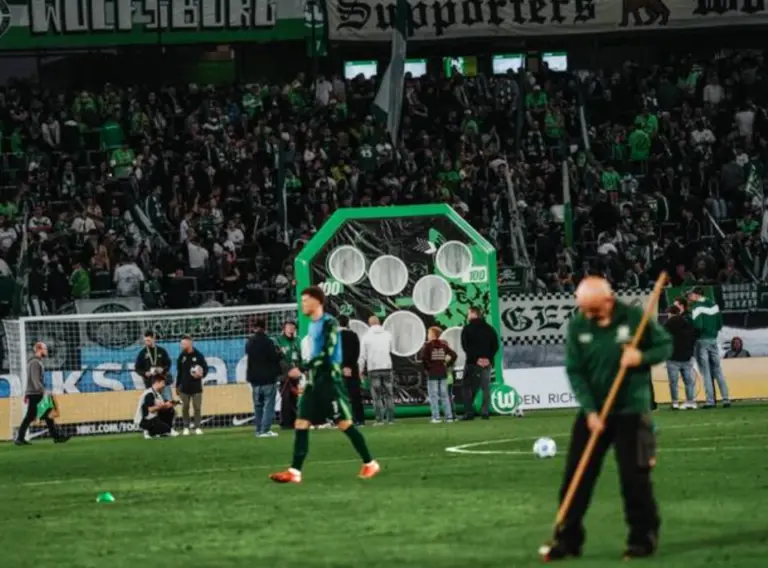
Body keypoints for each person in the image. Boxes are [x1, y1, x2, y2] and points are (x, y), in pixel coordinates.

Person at [541, 277, 671, 561]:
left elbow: (665, 346)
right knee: (577, 475)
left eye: (593, 310)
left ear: (608, 301)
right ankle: (567, 538)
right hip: (594, 413)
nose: (588, 315)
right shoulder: (579, 325)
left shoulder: (633, 317)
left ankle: (642, 538)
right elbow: (575, 371)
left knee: (634, 477)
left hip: (630, 411)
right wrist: (589, 411)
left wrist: (640, 357)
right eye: (584, 309)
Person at [269, 286, 380, 484]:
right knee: (301, 423)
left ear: (317, 301)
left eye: (305, 300)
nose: (302, 304)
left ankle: (370, 463)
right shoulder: (312, 325)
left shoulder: (330, 322)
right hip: (314, 380)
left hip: (330, 380)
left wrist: (303, 367)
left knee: (344, 424)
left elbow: (328, 352)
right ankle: (295, 471)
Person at [15, 342, 69, 445]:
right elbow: (35, 380)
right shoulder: (35, 362)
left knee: (35, 415)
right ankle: (56, 436)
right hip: (36, 393)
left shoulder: (35, 362)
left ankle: (20, 438)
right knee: (45, 414)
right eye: (45, 349)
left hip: (34, 393)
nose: (46, 351)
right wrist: (43, 391)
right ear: (40, 349)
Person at [688, 287, 731, 408]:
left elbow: (698, 325)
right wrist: (712, 333)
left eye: (691, 295)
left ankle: (710, 401)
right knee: (718, 371)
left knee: (706, 372)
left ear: (696, 295)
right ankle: (726, 399)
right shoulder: (714, 304)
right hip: (713, 340)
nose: (690, 297)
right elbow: (720, 324)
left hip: (702, 341)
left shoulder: (697, 306)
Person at [245, 317, 284, 437]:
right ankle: (265, 430)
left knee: (258, 405)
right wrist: (280, 352)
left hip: (254, 379)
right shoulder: (268, 342)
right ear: (265, 327)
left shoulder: (249, 342)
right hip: (267, 378)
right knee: (268, 405)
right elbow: (274, 357)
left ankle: (258, 429)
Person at [460, 307, 499, 420]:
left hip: (472, 363)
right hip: (487, 363)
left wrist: (476, 359)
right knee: (485, 387)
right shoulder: (490, 329)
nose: (467, 315)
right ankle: (485, 412)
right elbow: (495, 346)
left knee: (467, 386)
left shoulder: (467, 329)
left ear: (473, 314)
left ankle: (469, 412)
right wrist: (488, 358)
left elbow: (465, 346)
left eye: (468, 313)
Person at [360, 315, 395, 425]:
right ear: (379, 322)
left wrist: (360, 369)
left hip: (373, 368)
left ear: (369, 324)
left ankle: (379, 419)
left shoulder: (365, 336)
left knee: (377, 396)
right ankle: (391, 419)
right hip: (387, 366)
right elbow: (391, 349)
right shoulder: (388, 334)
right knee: (389, 394)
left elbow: (362, 355)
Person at [663, 305, 698, 409]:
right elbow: (693, 337)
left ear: (670, 313)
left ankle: (675, 403)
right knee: (688, 381)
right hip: (686, 356)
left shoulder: (667, 324)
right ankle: (690, 402)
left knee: (673, 382)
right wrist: (690, 352)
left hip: (672, 357)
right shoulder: (687, 323)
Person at [420, 326, 456, 423]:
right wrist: (446, 364)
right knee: (445, 395)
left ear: (433, 334)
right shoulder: (443, 345)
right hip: (442, 372)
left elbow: (423, 359)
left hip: (432, 374)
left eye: (429, 333)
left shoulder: (428, 346)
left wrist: (429, 368)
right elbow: (454, 355)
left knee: (433, 396)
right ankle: (449, 417)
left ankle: (436, 417)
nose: (428, 335)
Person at [176, 335, 209, 435]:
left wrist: (201, 374)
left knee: (197, 408)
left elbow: (206, 369)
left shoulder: (199, 355)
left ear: (190, 343)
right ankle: (186, 427)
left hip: (196, 387)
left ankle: (197, 427)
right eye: (181, 344)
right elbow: (179, 372)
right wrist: (177, 386)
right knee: (184, 407)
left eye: (184, 343)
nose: (182, 345)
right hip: (184, 388)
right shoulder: (181, 357)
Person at [339, 315, 365, 426]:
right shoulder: (354, 335)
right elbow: (357, 352)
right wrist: (350, 366)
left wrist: (343, 367)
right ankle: (360, 419)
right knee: (355, 395)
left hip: (340, 369)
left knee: (341, 395)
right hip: (353, 368)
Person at [134, 374, 179, 438]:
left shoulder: (157, 393)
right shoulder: (149, 394)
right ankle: (167, 431)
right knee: (155, 420)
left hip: (153, 417)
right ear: (157, 382)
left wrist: (171, 404)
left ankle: (159, 431)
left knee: (170, 411)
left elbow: (163, 407)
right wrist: (162, 406)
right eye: (163, 383)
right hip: (144, 420)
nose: (164, 385)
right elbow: (150, 409)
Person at [276, 321, 302, 429]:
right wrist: (289, 370)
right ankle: (285, 422)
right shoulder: (278, 340)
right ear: (284, 328)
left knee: (294, 398)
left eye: (293, 326)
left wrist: (299, 369)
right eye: (289, 326)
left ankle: (293, 421)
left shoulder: (298, 341)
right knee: (286, 397)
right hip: (284, 375)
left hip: (296, 374)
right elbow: (278, 358)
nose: (291, 328)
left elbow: (301, 357)